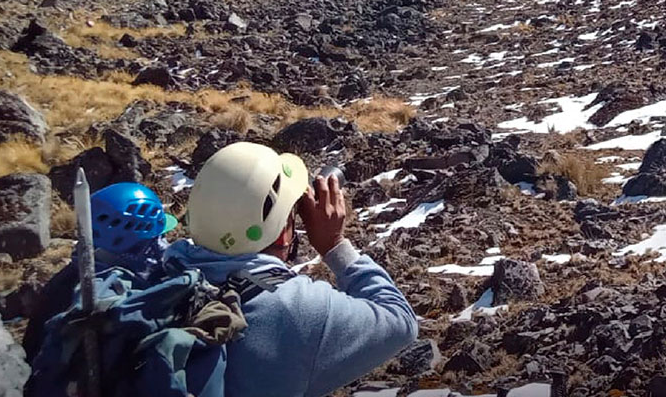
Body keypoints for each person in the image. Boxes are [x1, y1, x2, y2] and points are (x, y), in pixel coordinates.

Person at [164, 141, 419, 397]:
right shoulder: (298, 309)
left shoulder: (160, 272)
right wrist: (334, 245)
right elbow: (400, 320)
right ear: (281, 235)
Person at [22, 181, 177, 360]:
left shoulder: (68, 281)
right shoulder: (103, 299)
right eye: (157, 238)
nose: (162, 244)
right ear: (134, 245)